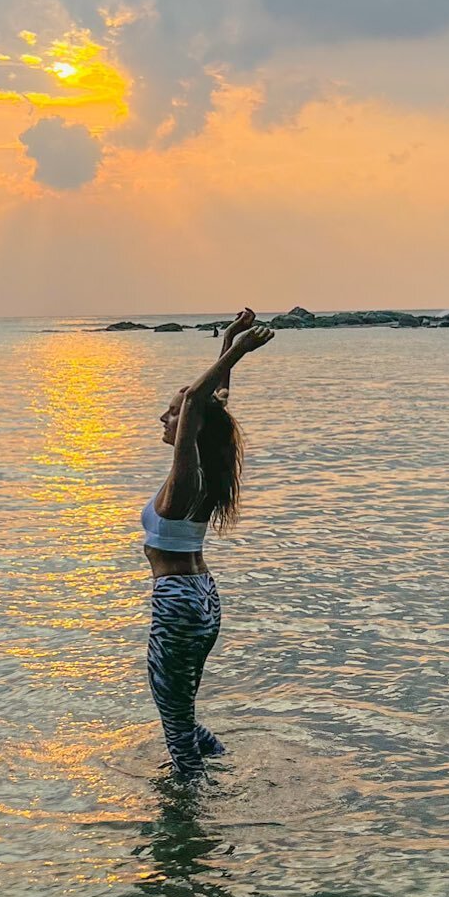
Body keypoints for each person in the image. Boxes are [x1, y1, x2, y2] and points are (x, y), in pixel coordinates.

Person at [142, 307, 275, 781]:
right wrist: (228, 346)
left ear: (190, 426)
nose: (163, 416)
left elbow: (201, 400)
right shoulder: (203, 468)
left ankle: (188, 830)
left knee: (176, 727)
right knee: (182, 715)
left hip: (177, 603)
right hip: (202, 599)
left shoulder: (186, 478)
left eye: (172, 412)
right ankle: (223, 769)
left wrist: (236, 350)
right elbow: (213, 400)